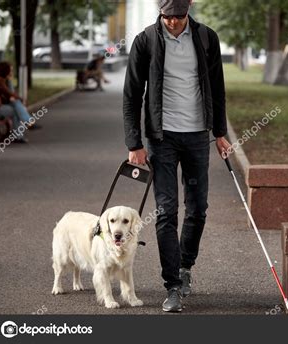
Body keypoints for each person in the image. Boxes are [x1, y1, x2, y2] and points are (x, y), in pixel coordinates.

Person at [123, 0, 231, 312]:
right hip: (162, 138)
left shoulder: (206, 37)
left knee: (197, 208)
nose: (172, 23)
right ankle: (172, 285)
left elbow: (217, 88)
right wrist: (134, 143)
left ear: (190, 9)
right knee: (167, 211)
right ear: (160, 12)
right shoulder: (145, 41)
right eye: (167, 16)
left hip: (198, 136)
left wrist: (220, 132)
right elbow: (132, 95)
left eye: (179, 16)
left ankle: (185, 268)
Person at [0, 62, 30, 143]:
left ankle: (26, 123)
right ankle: (21, 133)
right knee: (15, 111)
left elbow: (7, 96)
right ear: (5, 71)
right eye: (10, 71)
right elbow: (9, 93)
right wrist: (22, 100)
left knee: (15, 105)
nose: (11, 72)